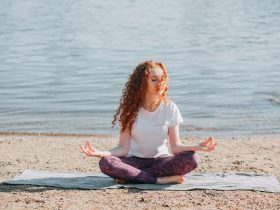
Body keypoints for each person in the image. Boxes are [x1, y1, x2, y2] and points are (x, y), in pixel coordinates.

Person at [80, 61, 217, 184]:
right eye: (154, 80)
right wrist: (102, 152)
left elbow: (175, 147)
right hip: (134, 162)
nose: (160, 83)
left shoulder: (170, 108)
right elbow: (122, 148)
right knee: (106, 163)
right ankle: (157, 180)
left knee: (193, 158)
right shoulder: (129, 110)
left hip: (161, 162)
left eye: (162, 79)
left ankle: (131, 177)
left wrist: (196, 146)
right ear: (142, 83)